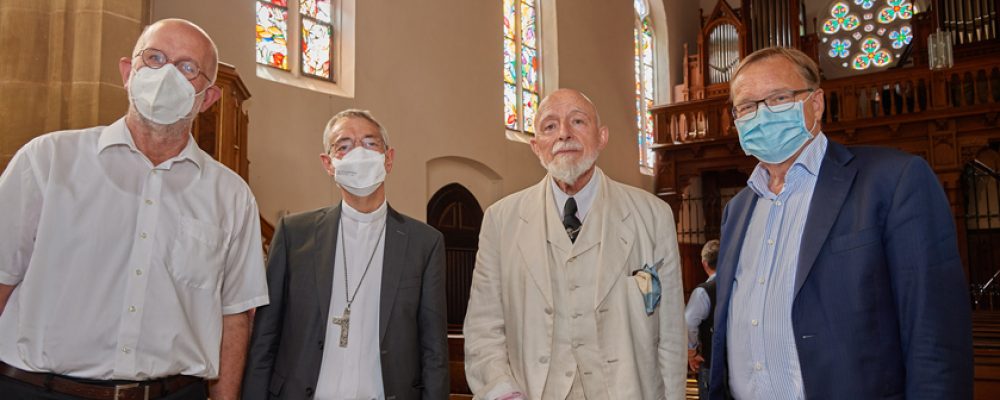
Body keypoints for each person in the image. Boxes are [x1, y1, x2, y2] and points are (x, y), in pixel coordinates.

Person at [0, 19, 268, 400]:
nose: (167, 74)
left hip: (172, 391)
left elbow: (235, 315)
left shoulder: (231, 196)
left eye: (188, 68)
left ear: (208, 99)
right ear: (129, 72)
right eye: (155, 58)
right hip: (39, 388)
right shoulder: (47, 160)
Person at [709, 47, 973, 400]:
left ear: (815, 104)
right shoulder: (737, 210)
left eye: (778, 98)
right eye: (747, 106)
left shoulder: (892, 181)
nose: (761, 115)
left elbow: (936, 335)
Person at [464, 88, 686, 400]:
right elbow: (483, 329)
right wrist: (503, 392)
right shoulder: (501, 221)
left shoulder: (652, 216)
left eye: (578, 122)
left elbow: (672, 334)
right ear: (536, 146)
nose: (564, 134)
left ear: (602, 137)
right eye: (549, 126)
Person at [242, 109, 449, 400]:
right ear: (329, 163)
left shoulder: (424, 243)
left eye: (370, 143)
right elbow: (265, 337)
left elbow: (434, 350)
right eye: (344, 146)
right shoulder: (294, 234)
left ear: (388, 159)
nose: (358, 154)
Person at [685, 239, 719, 400]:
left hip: (711, 361)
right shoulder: (738, 284)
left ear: (704, 263)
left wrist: (692, 351)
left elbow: (689, 322)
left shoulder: (703, 292)